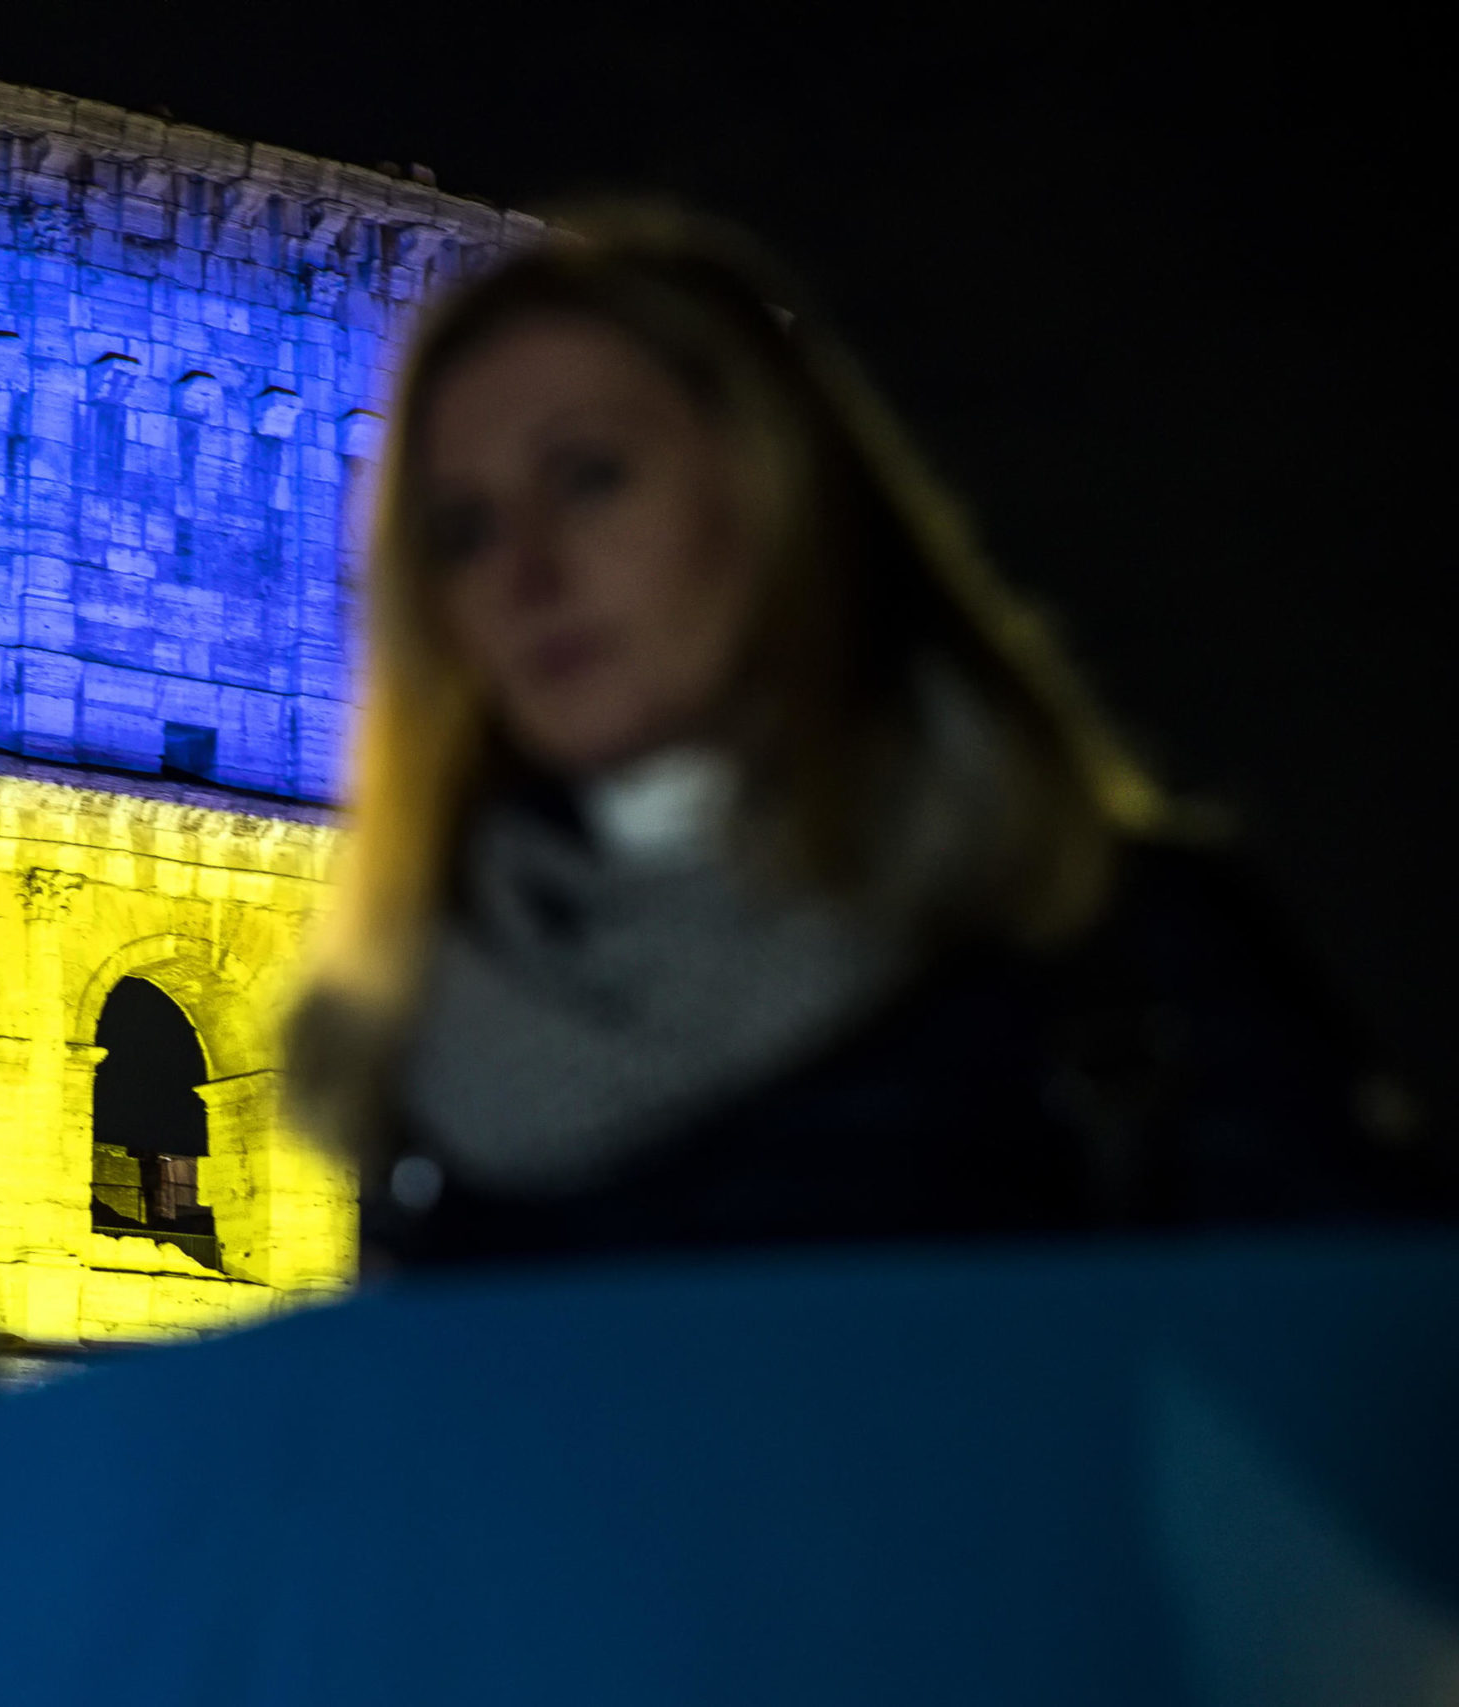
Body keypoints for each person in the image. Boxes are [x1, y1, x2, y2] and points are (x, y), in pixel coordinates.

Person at [286, 200, 1451, 1269]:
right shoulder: (427, 1082)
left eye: (588, 476)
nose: (525, 572)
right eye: (462, 529)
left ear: (772, 490)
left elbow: (1361, 1431)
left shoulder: (1122, 966)